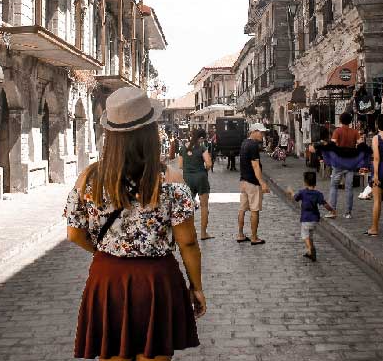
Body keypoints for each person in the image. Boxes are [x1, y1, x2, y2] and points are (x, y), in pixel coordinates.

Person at [64, 88, 204, 361]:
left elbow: (73, 233)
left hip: (107, 279)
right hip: (157, 281)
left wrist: (102, 252)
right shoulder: (170, 180)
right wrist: (196, 286)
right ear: (150, 133)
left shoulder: (89, 179)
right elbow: (187, 242)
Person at [290, 172, 336, 262]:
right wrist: (332, 210)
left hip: (306, 219)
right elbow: (325, 204)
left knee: (305, 236)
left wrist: (291, 192)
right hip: (315, 219)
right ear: (315, 183)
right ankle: (310, 251)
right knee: (310, 236)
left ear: (305, 182)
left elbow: (295, 197)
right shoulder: (318, 194)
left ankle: (310, 250)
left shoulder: (302, 192)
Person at [237, 123, 269, 245]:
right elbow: (255, 166)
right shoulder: (253, 145)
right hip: (252, 182)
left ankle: (240, 234)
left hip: (243, 180)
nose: (263, 135)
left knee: (242, 209)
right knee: (254, 210)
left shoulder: (244, 143)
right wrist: (262, 183)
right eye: (261, 133)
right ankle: (254, 237)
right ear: (254, 131)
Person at [179, 129, 214, 240]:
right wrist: (204, 170)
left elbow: (180, 165)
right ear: (201, 138)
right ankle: (203, 233)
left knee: (189, 207)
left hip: (187, 178)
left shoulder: (183, 148)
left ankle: (190, 233)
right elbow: (208, 163)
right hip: (201, 178)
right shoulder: (202, 147)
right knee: (204, 206)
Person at [329, 112, 362, 218]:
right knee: (349, 188)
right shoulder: (355, 132)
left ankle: (332, 210)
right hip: (350, 163)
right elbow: (361, 146)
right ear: (350, 121)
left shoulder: (337, 131)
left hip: (339, 163)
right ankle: (348, 212)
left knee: (334, 186)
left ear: (340, 121)